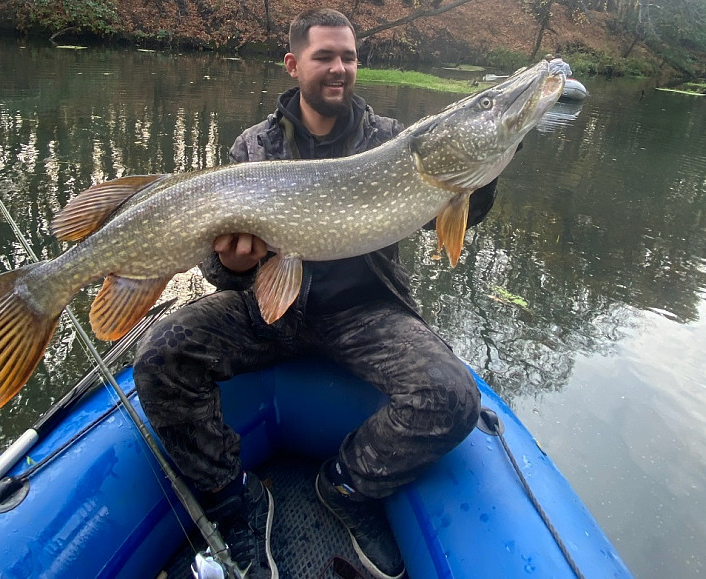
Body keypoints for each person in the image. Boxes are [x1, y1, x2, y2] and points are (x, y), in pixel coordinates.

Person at [134, 9, 498, 579]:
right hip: (269, 312)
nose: (339, 69)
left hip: (364, 312)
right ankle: (235, 501)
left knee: (453, 398)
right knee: (160, 355)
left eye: (348, 57)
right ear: (293, 63)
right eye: (325, 56)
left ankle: (345, 487)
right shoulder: (254, 147)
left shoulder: (392, 142)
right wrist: (232, 265)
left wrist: (490, 153)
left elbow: (455, 214)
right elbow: (219, 266)